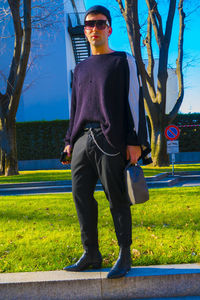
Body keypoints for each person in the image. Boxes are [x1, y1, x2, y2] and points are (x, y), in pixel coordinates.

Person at [62, 5, 151, 279]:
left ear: (109, 29)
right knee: (80, 197)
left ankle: (125, 254)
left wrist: (135, 141)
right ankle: (91, 253)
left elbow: (135, 102)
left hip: (111, 139)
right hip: (81, 142)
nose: (95, 29)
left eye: (101, 24)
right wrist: (69, 141)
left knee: (117, 197)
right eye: (89, 24)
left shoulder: (123, 60)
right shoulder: (80, 68)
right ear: (85, 30)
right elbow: (75, 108)